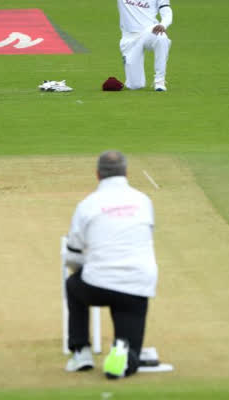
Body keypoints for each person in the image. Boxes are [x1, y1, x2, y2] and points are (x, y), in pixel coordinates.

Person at [63, 151, 158, 379]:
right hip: (137, 285)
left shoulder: (87, 205)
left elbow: (72, 255)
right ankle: (122, 354)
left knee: (73, 285)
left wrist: (86, 269)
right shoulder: (144, 201)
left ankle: (81, 352)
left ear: (97, 175)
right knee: (128, 351)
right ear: (126, 173)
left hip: (98, 284)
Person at [84, 0, 173, 92]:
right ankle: (135, 79)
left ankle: (159, 81)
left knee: (161, 37)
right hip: (129, 38)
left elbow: (166, 10)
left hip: (150, 31)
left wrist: (163, 24)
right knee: (135, 86)